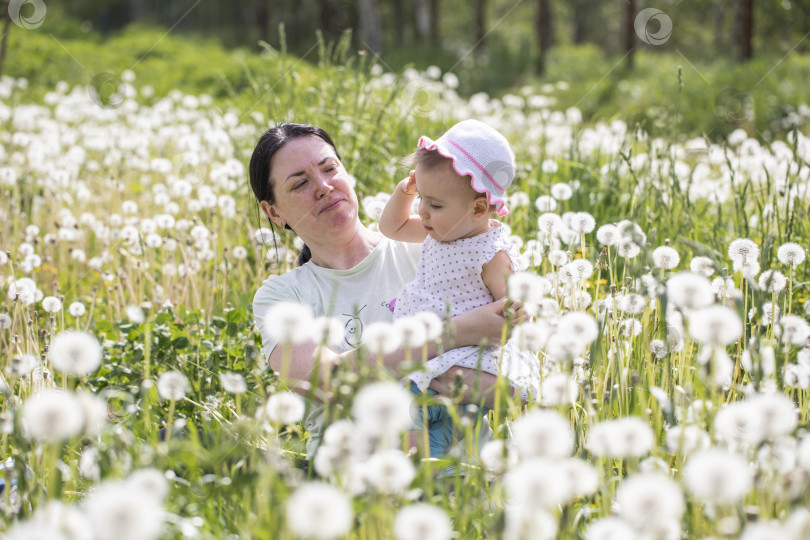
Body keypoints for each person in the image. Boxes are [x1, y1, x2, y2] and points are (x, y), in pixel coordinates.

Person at [249, 123, 512, 459]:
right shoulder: (281, 298)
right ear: (274, 212)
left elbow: (512, 361)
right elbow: (328, 380)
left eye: (330, 169)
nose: (324, 187)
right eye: (300, 183)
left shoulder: (436, 248)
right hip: (361, 493)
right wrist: (454, 333)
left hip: (475, 480)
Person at [379, 119, 540, 403]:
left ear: (478, 208)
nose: (423, 211)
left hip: (467, 351)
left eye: (435, 204)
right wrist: (405, 190)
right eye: (421, 198)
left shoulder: (490, 253)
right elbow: (392, 227)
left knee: (463, 382)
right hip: (428, 342)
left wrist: (518, 310)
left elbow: (511, 306)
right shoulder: (440, 230)